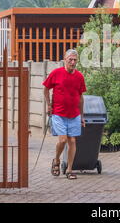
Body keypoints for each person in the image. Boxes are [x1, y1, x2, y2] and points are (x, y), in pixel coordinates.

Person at [43, 49, 87, 179]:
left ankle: (69, 169)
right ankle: (56, 160)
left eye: (75, 60)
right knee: (62, 140)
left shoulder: (79, 76)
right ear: (65, 59)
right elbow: (46, 89)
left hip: (74, 114)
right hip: (59, 113)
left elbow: (81, 97)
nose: (73, 62)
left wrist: (82, 116)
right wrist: (48, 105)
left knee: (72, 140)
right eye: (70, 59)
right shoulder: (56, 73)